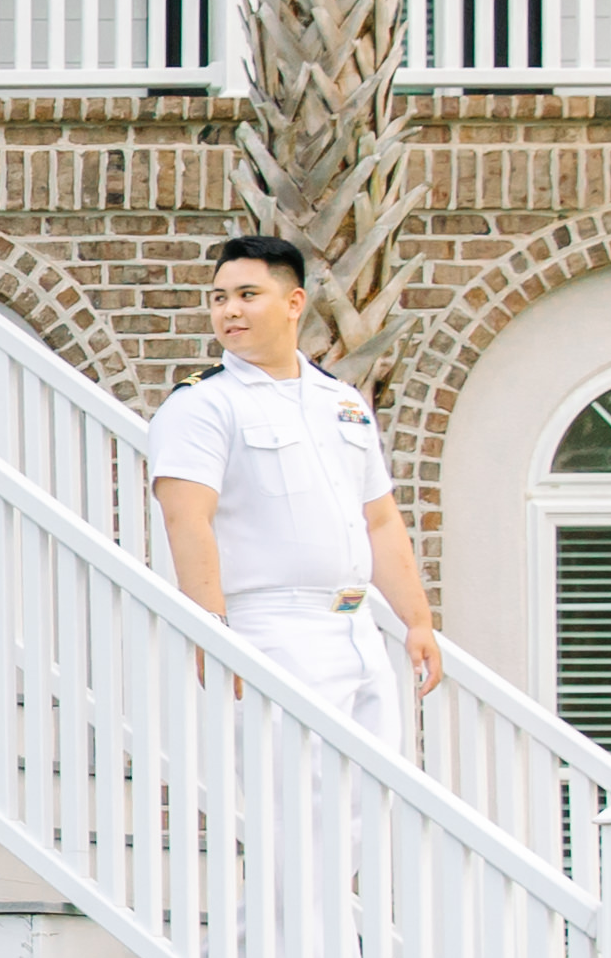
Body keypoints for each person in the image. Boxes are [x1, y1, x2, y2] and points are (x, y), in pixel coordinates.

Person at [145, 234, 443, 748]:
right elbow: (187, 520)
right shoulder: (204, 404)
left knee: (371, 808)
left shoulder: (341, 401)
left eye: (247, 295)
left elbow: (380, 519)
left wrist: (416, 621)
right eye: (219, 298)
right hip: (272, 627)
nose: (229, 311)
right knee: (292, 805)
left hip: (358, 627)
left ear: (294, 303)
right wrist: (211, 629)